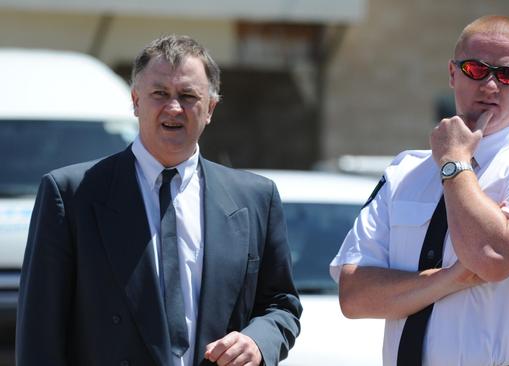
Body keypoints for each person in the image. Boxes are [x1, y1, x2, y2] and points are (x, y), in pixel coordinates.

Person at [16, 35, 301, 366]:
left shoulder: (255, 198)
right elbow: (40, 331)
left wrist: (257, 340)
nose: (174, 108)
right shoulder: (70, 194)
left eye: (188, 96)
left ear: (210, 108)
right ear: (136, 101)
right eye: (159, 94)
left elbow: (281, 303)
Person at [330, 15, 509, 366]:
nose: (491, 86)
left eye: (508, 75)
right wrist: (449, 279)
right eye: (476, 70)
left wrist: (454, 163)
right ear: (453, 74)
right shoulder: (404, 171)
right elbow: (355, 296)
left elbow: (494, 258)